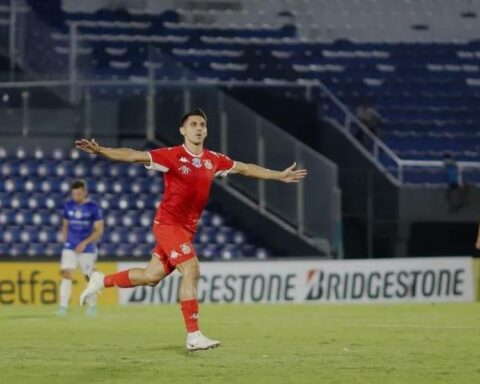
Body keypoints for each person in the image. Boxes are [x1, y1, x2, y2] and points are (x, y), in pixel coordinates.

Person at [75, 108, 307, 351]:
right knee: (192, 269)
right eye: (193, 124)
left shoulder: (213, 159)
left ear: (206, 131)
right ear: (183, 130)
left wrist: (278, 175)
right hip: (168, 225)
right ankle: (193, 336)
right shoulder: (172, 156)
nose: (198, 128)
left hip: (185, 230)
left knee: (151, 276)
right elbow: (134, 155)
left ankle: (102, 280)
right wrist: (101, 150)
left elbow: (246, 168)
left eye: (202, 125)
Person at [57, 179, 104, 316]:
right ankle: (63, 307)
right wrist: (65, 242)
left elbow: (99, 230)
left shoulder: (93, 207)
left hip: (87, 249)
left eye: (78, 194)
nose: (75, 196)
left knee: (89, 278)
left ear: (84, 192)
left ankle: (92, 307)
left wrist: (84, 243)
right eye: (74, 194)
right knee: (66, 275)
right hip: (70, 247)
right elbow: (65, 225)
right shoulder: (68, 206)